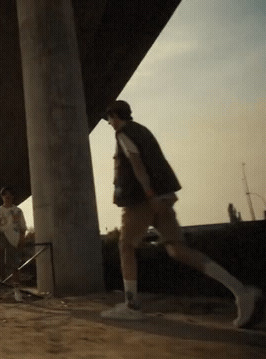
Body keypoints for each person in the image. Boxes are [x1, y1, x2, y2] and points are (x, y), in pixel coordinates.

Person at [101, 100, 262, 327]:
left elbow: (137, 165)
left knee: (126, 246)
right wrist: (164, 194)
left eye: (109, 119)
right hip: (162, 197)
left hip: (142, 200)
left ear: (115, 116)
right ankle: (241, 291)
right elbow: (158, 163)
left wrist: (149, 195)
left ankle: (131, 305)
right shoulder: (144, 131)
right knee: (178, 249)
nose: (109, 124)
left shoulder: (124, 133)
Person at [0, 186, 27, 302]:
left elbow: (22, 227)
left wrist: (21, 239)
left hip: (14, 238)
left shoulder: (18, 211)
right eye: (5, 195)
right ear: (2, 197)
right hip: (2, 235)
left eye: (10, 195)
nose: (7, 197)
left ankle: (17, 291)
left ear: (13, 197)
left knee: (13, 266)